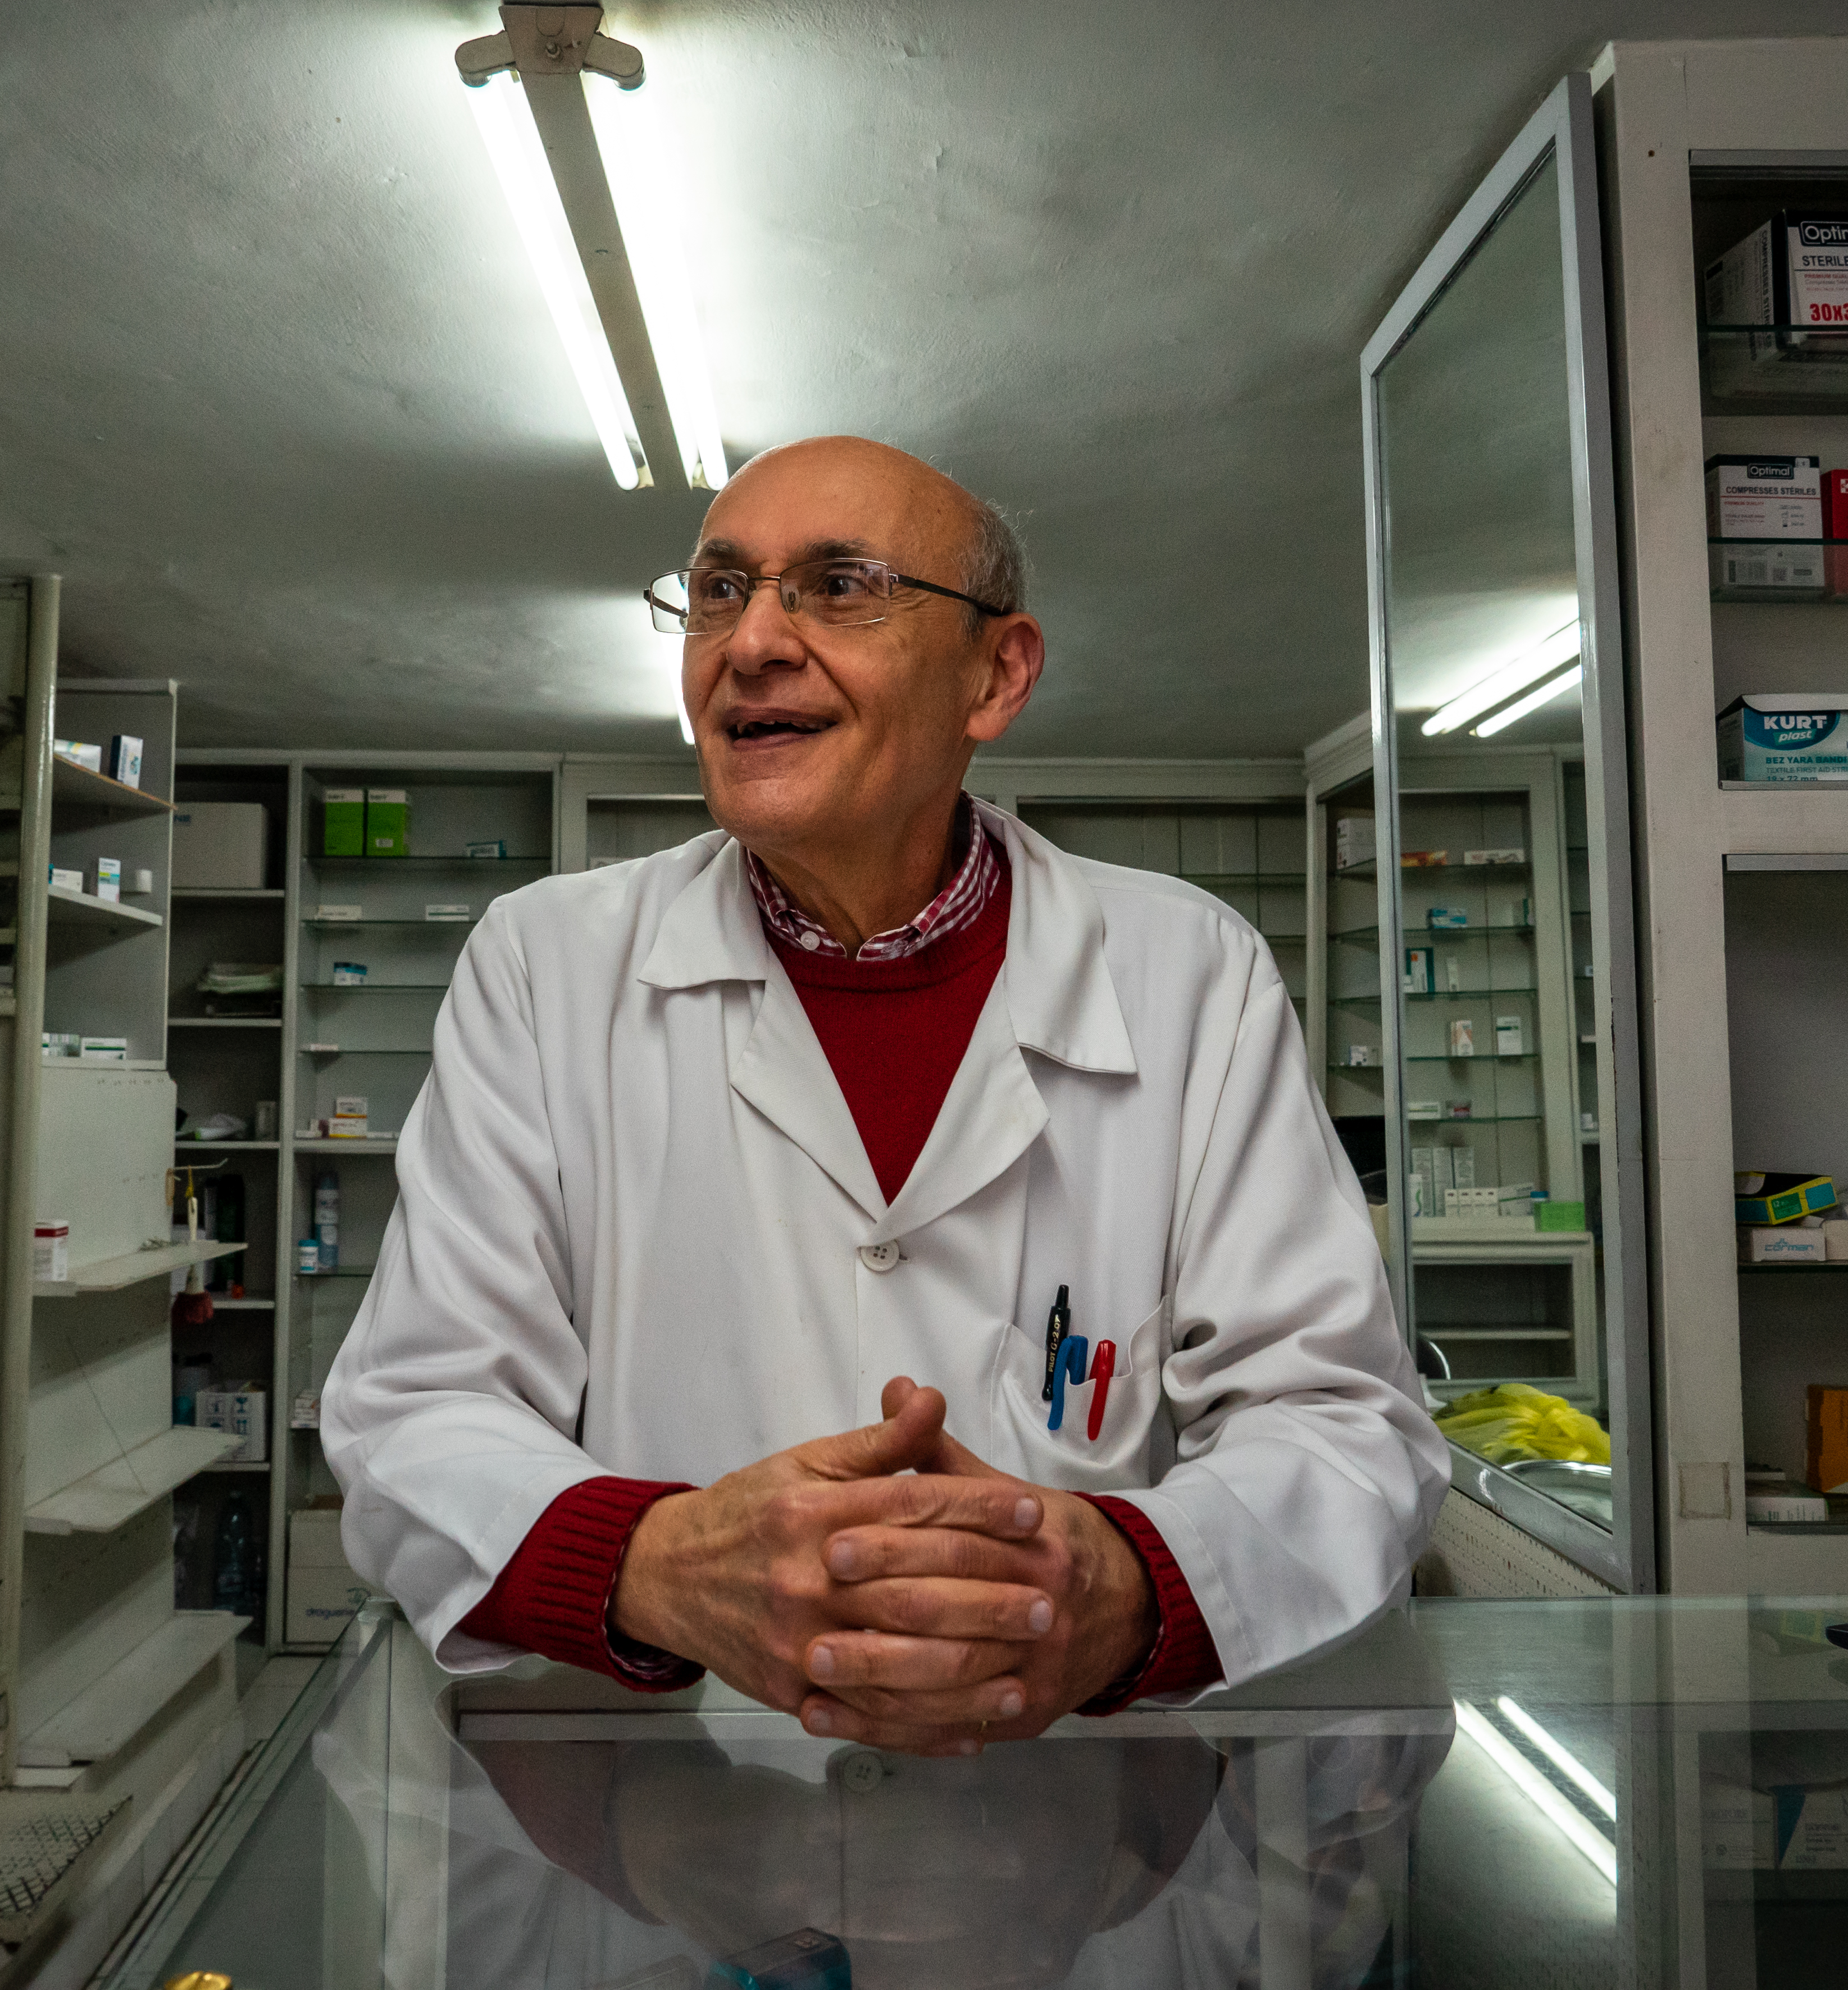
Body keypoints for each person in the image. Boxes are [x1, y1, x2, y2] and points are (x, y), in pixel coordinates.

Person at [323, 435, 1445, 1755]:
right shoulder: (545, 965)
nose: (750, 643)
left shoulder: (1190, 973)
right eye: (720, 589)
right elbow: (418, 1408)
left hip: (1076, 1819)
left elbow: (1342, 1423)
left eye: (840, 584)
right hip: (668, 1816)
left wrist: (1125, 1579)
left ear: (996, 672)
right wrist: (662, 1561)